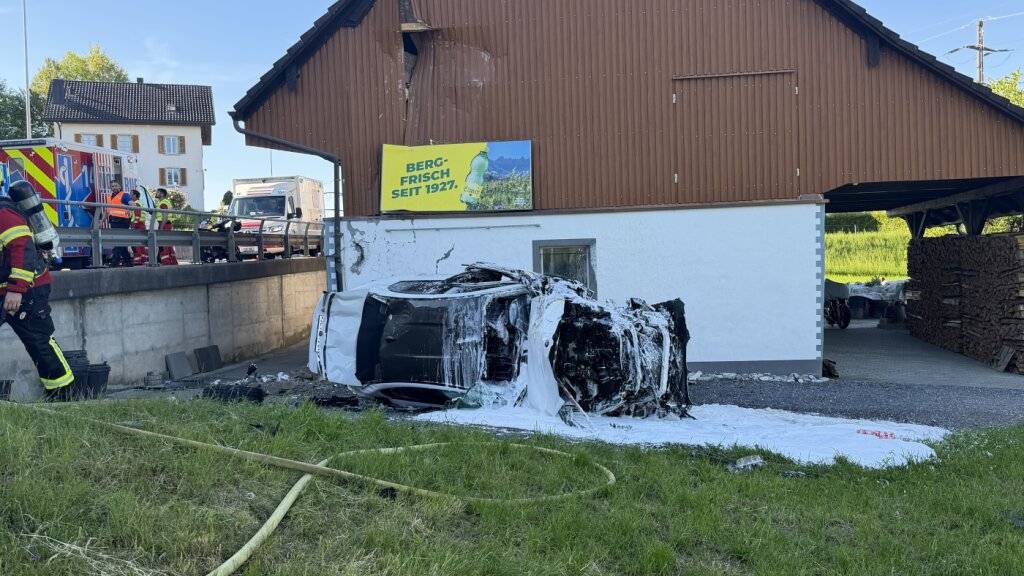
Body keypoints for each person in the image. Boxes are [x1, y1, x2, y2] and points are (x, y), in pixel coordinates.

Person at [0, 182, 75, 396]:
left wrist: (16, 289)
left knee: (38, 342)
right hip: (7, 289)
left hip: (26, 290)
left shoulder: (3, 214)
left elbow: (23, 248)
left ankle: (63, 393)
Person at [107, 181, 134, 267]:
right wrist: (102, 221)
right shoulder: (109, 197)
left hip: (123, 221)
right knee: (120, 242)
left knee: (118, 242)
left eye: (116, 186)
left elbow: (131, 203)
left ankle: (115, 262)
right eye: (112, 186)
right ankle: (128, 261)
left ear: (119, 187)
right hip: (113, 221)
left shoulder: (124, 195)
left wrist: (131, 206)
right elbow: (107, 210)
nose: (114, 187)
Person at [154, 188, 178, 266]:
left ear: (162, 194)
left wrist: (161, 228)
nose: (156, 194)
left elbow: (165, 217)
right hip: (166, 224)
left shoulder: (163, 203)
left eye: (157, 192)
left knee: (164, 245)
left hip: (164, 224)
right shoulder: (163, 202)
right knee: (168, 244)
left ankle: (166, 262)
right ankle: (172, 262)